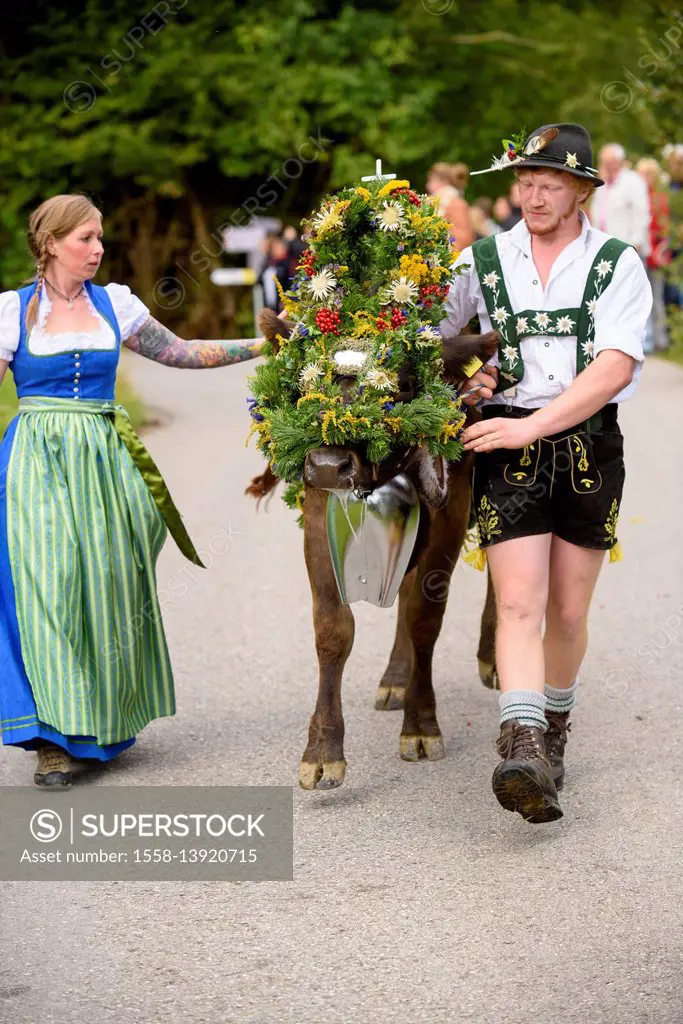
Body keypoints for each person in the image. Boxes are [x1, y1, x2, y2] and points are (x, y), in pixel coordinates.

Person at [0, 194, 264, 789]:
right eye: (85, 239)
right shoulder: (11, 312)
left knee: (108, 586)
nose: (97, 250)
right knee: (50, 584)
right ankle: (49, 741)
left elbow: (185, 354)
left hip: (106, 460)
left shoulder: (114, 304)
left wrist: (268, 342)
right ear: (49, 244)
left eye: (100, 239)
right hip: (34, 461)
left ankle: (99, 725)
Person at [441, 123, 651, 823]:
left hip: (589, 448)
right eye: (524, 183)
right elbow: (435, 339)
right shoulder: (480, 260)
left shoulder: (616, 262)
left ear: (580, 190)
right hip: (506, 445)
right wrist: (462, 376)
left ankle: (553, 733)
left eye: (548, 184)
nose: (531, 195)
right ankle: (521, 745)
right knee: (519, 602)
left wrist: (536, 422)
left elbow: (615, 365)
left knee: (566, 610)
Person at [590, 143, 650, 256]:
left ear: (618, 161)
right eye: (603, 161)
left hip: (628, 247)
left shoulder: (633, 181)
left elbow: (641, 214)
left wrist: (635, 243)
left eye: (608, 161)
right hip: (604, 246)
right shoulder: (603, 183)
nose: (605, 165)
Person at [636, 157, 671, 352]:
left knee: (657, 298)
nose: (644, 178)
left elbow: (663, 229)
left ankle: (661, 339)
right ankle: (644, 339)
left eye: (647, 174)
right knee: (641, 299)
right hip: (641, 254)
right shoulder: (636, 196)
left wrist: (660, 250)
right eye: (641, 174)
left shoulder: (658, 198)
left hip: (655, 256)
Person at [426, 162, 476, 250]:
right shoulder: (444, 201)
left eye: (431, 180)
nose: (427, 185)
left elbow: (464, 238)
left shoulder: (455, 203)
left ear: (443, 181)